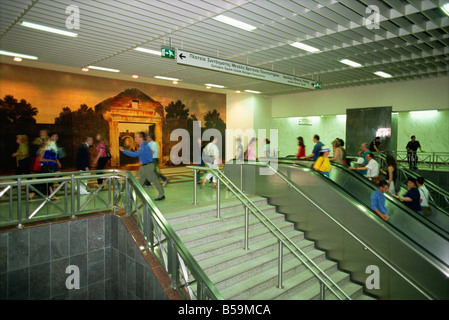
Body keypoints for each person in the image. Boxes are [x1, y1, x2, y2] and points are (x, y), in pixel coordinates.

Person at [120, 132, 165, 201]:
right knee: (139, 181)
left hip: (148, 167)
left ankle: (161, 195)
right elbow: (144, 155)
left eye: (137, 137)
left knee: (154, 181)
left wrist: (123, 150)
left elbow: (135, 154)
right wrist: (142, 164)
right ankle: (133, 195)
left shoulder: (144, 146)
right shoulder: (143, 145)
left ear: (141, 138)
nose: (135, 139)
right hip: (145, 166)